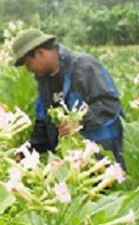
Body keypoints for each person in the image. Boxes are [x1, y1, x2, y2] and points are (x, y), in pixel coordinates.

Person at [10, 28, 125, 168]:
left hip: (105, 152)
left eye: (28, 63)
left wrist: (79, 121)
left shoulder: (85, 67)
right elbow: (43, 123)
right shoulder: (44, 81)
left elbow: (109, 104)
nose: (28, 69)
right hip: (73, 162)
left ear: (40, 53)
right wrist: (26, 152)